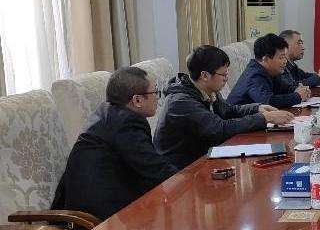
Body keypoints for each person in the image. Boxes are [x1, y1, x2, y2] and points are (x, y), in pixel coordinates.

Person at [51, 67, 178, 220]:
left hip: (99, 203)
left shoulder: (110, 112)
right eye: (155, 92)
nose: (157, 98)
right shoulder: (125, 123)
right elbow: (154, 167)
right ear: (137, 100)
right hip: (94, 219)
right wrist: (186, 179)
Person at [155, 45, 294, 170]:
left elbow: (228, 111)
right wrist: (264, 118)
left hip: (205, 156)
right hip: (181, 171)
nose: (226, 79)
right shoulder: (181, 102)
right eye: (223, 74)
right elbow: (220, 129)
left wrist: (257, 108)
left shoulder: (208, 90)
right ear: (205, 75)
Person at [227, 33, 311, 107]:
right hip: (239, 119)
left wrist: (299, 89)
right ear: (266, 59)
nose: (285, 61)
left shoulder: (271, 71)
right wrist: (297, 96)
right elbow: (268, 102)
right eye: (281, 57)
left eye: (285, 56)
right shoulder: (254, 76)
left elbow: (285, 88)